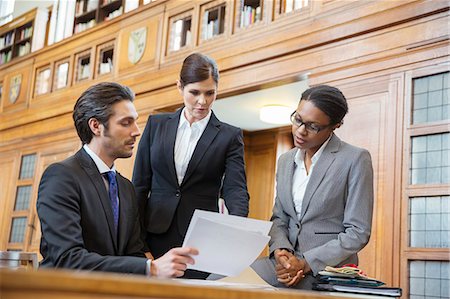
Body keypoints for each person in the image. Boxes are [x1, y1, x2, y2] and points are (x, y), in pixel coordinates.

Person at [37, 82, 198, 277]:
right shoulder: (61, 176)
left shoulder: (125, 188)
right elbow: (68, 259)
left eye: (135, 121)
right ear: (96, 126)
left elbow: (133, 253)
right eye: (125, 122)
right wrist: (151, 268)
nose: (137, 131)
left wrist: (169, 267)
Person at [132, 53, 249, 279]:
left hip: (200, 240)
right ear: (180, 87)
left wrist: (238, 232)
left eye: (210, 93)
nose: (202, 101)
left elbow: (235, 190)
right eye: (194, 92)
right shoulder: (156, 125)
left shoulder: (229, 136)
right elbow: (139, 186)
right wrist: (137, 243)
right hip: (153, 235)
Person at [251, 85, 374, 289]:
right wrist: (281, 250)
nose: (300, 131)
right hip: (283, 263)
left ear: (335, 125)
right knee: (216, 284)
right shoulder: (285, 160)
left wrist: (307, 263)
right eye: (298, 119)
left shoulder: (355, 159)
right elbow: (279, 218)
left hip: (326, 269)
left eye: (313, 126)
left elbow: (358, 232)